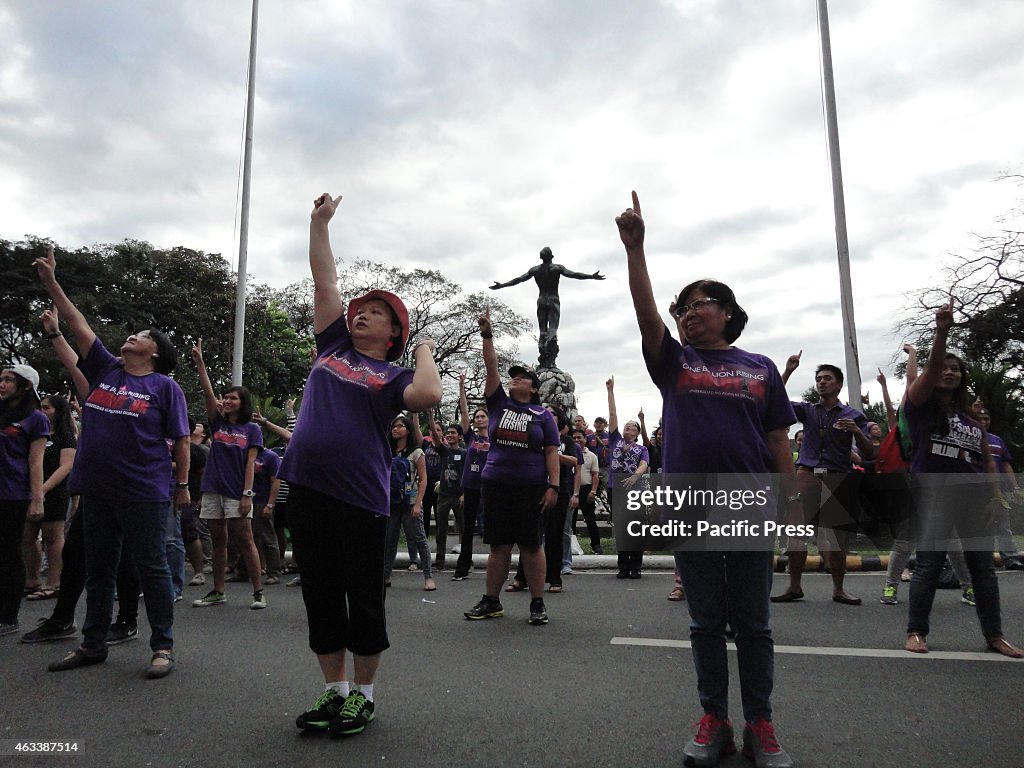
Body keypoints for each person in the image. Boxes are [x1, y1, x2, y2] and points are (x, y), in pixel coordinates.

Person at [617, 191, 796, 767]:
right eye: (683, 307)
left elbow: (777, 443)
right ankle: (714, 718)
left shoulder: (761, 368)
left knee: (754, 623)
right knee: (703, 622)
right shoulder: (675, 364)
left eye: (701, 304)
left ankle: (760, 725)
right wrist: (636, 248)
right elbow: (646, 312)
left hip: (751, 505)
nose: (688, 313)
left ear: (728, 312)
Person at [282, 192, 441, 738]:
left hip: (361, 500)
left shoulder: (394, 378)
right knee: (319, 594)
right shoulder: (331, 348)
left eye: (374, 314)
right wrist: (319, 224)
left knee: (363, 599)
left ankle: (365, 697)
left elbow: (428, 394)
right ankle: (335, 691)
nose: (360, 315)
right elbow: (325, 282)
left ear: (392, 333)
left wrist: (423, 349)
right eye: (360, 311)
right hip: (306, 488)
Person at [35, 247, 188, 679]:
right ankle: (92, 643)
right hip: (97, 489)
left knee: (151, 567)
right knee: (98, 571)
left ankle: (162, 646)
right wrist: (51, 282)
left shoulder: (164, 387)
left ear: (156, 351)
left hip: (143, 491)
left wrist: (181, 486)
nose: (132, 337)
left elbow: (180, 442)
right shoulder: (106, 370)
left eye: (141, 335)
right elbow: (78, 325)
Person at [902, 299, 1022, 658]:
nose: (949, 372)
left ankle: (995, 636)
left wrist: (997, 499)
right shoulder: (920, 404)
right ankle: (916, 632)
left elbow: (987, 460)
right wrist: (941, 333)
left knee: (983, 569)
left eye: (956, 369)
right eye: (943, 368)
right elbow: (927, 370)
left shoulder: (971, 419)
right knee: (929, 563)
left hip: (973, 498)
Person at [463, 306, 560, 626]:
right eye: (513, 376)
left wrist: (553, 485)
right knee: (499, 545)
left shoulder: (543, 417)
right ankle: (491, 601)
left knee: (532, 545)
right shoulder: (498, 404)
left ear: (532, 387)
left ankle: (537, 603)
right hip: (496, 483)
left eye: (521, 376)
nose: (513, 378)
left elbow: (550, 452)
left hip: (531, 487)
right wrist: (487, 334)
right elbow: (491, 367)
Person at [772, 356, 874, 605]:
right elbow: (775, 399)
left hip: (838, 477)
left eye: (827, 378)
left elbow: (870, 453)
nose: (821, 382)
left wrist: (857, 432)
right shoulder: (808, 410)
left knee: (837, 537)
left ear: (838, 385)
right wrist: (787, 371)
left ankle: (839, 589)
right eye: (818, 379)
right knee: (796, 532)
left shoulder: (853, 414)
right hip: (806, 475)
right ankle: (794, 586)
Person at [190, 340, 266, 610]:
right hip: (212, 489)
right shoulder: (218, 423)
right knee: (219, 541)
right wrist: (200, 363)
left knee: (245, 540)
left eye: (233, 397)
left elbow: (250, 464)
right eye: (226, 397)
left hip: (237, 492)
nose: (226, 400)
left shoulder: (252, 430)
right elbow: (208, 394)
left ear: (242, 402)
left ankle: (258, 592)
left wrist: (247, 494)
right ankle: (218, 590)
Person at [0, 363, 49, 637]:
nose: (2, 384)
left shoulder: (36, 419)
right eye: (1, 379)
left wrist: (37, 498)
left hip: (14, 493)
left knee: (8, 552)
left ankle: (8, 615)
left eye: (8, 380)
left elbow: (35, 462)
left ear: (26, 386)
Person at [22, 392, 77, 601]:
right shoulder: (34, 434)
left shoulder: (65, 436)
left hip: (54, 492)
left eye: (47, 408)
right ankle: (32, 579)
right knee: (27, 535)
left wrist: (42, 489)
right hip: (28, 491)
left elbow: (67, 466)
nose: (43, 411)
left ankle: (54, 582)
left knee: (52, 537)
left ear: (58, 411)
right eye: (41, 407)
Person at [383, 415, 435, 591]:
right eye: (393, 427)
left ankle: (428, 577)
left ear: (408, 429)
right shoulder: (388, 451)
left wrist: (418, 504)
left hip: (410, 501)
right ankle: (386, 575)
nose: (396, 429)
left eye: (400, 426)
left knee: (419, 538)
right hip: (392, 502)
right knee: (390, 539)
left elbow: (423, 479)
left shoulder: (417, 452)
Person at [972, 401, 1024, 570]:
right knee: (977, 526)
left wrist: (1015, 487)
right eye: (980, 418)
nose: (984, 421)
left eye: (986, 418)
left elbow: (1007, 465)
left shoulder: (997, 441)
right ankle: (981, 560)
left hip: (1000, 491)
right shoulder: (969, 439)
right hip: (977, 492)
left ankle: (1010, 558)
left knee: (1004, 527)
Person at [606, 377, 649, 579]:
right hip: (615, 488)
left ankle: (636, 566)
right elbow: (612, 414)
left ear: (638, 433)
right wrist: (610, 391)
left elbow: (644, 464)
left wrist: (635, 476)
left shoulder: (641, 448)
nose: (628, 428)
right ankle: (623, 565)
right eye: (627, 426)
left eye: (632, 427)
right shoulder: (615, 440)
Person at [451, 377, 490, 581]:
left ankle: (497, 567)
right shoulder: (471, 438)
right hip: (471, 486)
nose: (479, 419)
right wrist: (461, 387)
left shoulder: (494, 440)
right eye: (477, 416)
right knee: (467, 529)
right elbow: (464, 413)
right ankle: (463, 567)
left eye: (483, 416)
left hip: (489, 488)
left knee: (493, 528)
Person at [426, 410, 466, 573]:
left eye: (453, 432)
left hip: (459, 496)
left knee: (463, 529)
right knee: (440, 530)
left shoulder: (464, 453)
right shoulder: (443, 451)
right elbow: (435, 436)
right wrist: (428, 411)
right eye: (447, 432)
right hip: (443, 495)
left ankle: (465, 561)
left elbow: (467, 475)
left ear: (460, 436)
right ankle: (439, 561)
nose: (449, 435)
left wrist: (465, 494)